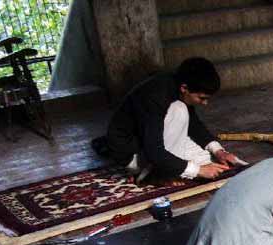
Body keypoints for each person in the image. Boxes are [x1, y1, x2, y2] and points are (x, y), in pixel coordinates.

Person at [93, 57, 236, 182]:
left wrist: (218, 151)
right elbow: (154, 150)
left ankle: (166, 167)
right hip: (132, 152)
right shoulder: (156, 97)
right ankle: (151, 174)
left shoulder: (177, 87)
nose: (205, 104)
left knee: (208, 160)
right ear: (184, 88)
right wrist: (198, 171)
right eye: (202, 98)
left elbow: (193, 124)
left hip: (149, 139)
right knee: (180, 112)